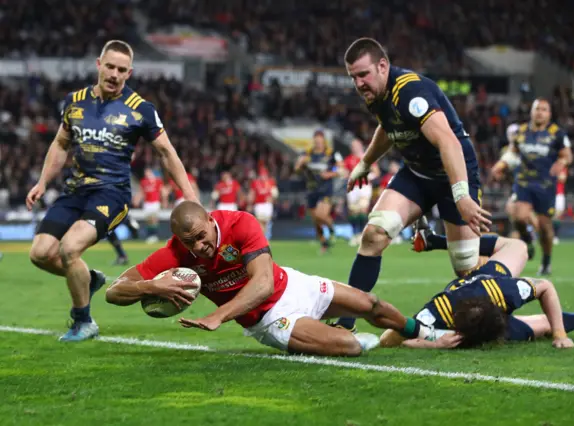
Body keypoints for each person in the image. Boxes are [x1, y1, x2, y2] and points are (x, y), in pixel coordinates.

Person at [104, 202, 442, 356]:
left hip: (290, 285)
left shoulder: (241, 224)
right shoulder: (175, 253)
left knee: (372, 304)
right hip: (269, 320)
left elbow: (263, 283)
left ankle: (422, 332)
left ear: (210, 219)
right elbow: (113, 293)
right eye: (190, 242)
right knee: (350, 346)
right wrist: (151, 286)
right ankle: (339, 337)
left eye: (202, 236)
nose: (200, 246)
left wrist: (218, 315)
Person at [25, 40, 198, 342]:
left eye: (122, 70)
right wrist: (42, 182)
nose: (115, 74)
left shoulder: (140, 109)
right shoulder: (74, 102)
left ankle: (84, 321)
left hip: (112, 195)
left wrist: (189, 195)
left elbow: (166, 153)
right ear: (99, 65)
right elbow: (60, 144)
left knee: (69, 249)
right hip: (74, 191)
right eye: (110, 67)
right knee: (39, 254)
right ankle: (89, 279)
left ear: (129, 73)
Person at [334, 37, 490, 331]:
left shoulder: (410, 91)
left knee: (466, 266)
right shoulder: (378, 94)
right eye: (353, 77)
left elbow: (448, 142)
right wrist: (365, 163)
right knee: (374, 234)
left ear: (383, 66)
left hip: (453, 173)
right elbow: (387, 126)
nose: (358, 83)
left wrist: (462, 195)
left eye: (363, 74)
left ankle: (508, 281)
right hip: (417, 174)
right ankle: (345, 323)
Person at [380, 235, 574, 350]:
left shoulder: (506, 292)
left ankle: (435, 240)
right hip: (480, 285)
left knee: (517, 246)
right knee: (543, 326)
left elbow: (545, 286)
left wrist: (560, 334)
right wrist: (433, 344)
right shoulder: (438, 312)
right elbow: (391, 338)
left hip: (490, 279)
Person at [491, 99, 572, 275]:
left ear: (549, 114)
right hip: (524, 182)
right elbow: (512, 153)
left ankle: (546, 260)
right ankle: (527, 240)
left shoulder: (557, 133)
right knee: (518, 216)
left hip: (546, 185)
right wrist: (501, 164)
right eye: (537, 109)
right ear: (532, 112)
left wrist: (561, 162)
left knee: (545, 228)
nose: (540, 112)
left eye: (544, 109)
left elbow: (567, 155)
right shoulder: (521, 132)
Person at [295, 130, 343, 253]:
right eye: (316, 141)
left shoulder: (331, 154)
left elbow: (342, 170)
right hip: (311, 190)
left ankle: (332, 229)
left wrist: (330, 173)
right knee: (316, 221)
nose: (318, 144)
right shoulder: (307, 154)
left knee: (321, 215)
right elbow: (297, 170)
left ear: (324, 141)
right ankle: (324, 244)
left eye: (320, 141)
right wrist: (299, 164)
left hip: (325, 190)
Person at [343, 138, 380, 246]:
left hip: (364, 187)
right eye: (353, 146)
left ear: (360, 146)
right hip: (352, 187)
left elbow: (376, 172)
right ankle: (355, 234)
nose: (355, 148)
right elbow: (345, 172)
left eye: (356, 145)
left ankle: (362, 235)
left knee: (363, 210)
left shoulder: (367, 157)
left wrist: (369, 176)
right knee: (353, 211)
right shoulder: (348, 159)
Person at [135, 168, 167, 244]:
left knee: (154, 219)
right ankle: (150, 236)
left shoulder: (158, 181)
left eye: (148, 173)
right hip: (147, 203)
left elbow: (162, 191)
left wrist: (164, 201)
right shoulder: (143, 182)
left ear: (152, 173)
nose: (147, 174)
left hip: (155, 202)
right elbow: (141, 192)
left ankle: (154, 235)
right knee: (148, 220)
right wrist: (137, 200)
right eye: (146, 173)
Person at [248, 167, 278, 237]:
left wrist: (272, 198)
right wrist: (250, 204)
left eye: (264, 175)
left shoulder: (271, 182)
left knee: (267, 223)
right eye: (262, 175)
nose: (263, 176)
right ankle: (263, 240)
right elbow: (252, 194)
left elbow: (275, 193)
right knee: (260, 222)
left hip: (268, 205)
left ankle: (265, 239)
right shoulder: (255, 183)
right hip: (259, 204)